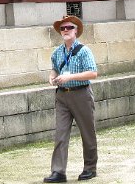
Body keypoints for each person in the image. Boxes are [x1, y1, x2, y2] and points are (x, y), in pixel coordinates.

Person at [44, 15, 98, 183]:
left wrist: (70, 77)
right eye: (63, 28)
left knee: (87, 133)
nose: (65, 31)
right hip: (62, 96)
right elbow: (54, 69)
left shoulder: (84, 51)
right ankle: (58, 172)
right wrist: (52, 77)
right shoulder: (57, 52)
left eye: (69, 28)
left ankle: (90, 168)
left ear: (76, 31)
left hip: (81, 94)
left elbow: (93, 73)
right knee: (60, 134)